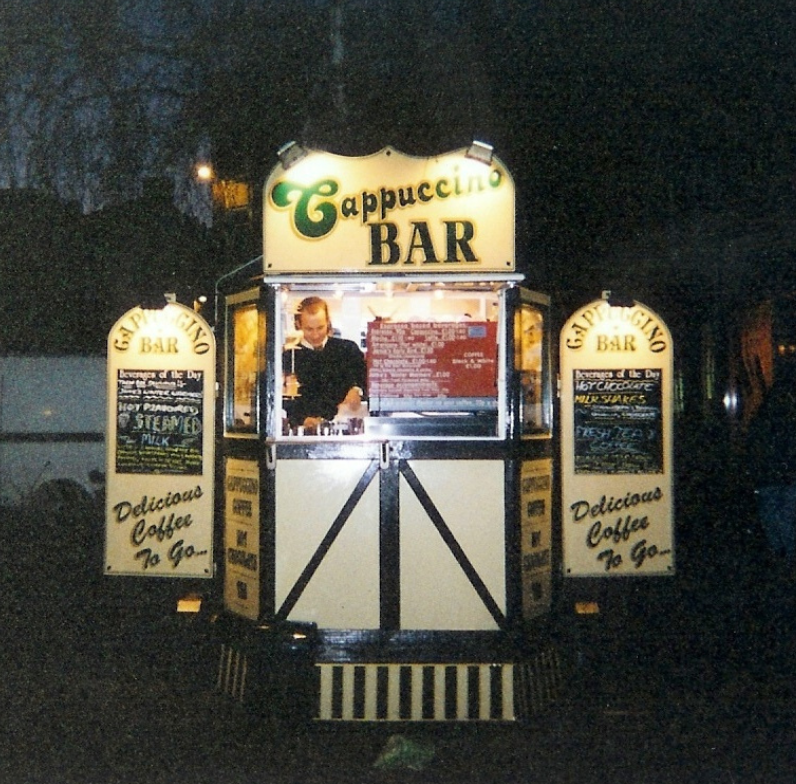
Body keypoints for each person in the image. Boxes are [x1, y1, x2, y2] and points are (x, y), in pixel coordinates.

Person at [282, 296, 367, 430]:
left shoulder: (348, 350)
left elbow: (366, 381)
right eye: (309, 329)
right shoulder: (288, 356)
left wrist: (357, 391)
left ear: (328, 321)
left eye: (320, 328)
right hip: (302, 432)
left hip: (344, 429)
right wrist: (301, 419)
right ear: (298, 325)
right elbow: (281, 400)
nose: (315, 335)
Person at [747, 361, 796, 566]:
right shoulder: (790, 417)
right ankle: (787, 552)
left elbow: (755, 443)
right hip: (787, 472)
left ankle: (779, 549)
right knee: (788, 513)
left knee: (771, 511)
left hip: (768, 473)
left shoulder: (763, 415)